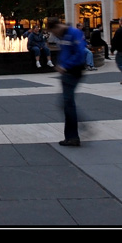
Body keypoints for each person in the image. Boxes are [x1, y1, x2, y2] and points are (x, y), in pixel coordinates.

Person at [46, 18, 87, 147]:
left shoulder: (74, 33)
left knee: (67, 103)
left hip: (73, 71)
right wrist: (61, 64)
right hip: (67, 72)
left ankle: (73, 136)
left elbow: (80, 52)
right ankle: (71, 135)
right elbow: (65, 52)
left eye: (54, 31)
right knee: (67, 103)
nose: (55, 35)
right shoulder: (64, 35)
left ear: (58, 26)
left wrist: (66, 65)